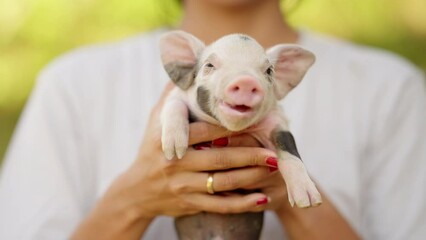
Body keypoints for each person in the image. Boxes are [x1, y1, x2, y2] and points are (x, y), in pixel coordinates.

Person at [1, 0, 425, 239]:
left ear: (286, 72)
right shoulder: (71, 85)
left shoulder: (392, 89)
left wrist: (286, 191)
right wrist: (133, 201)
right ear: (182, 63)